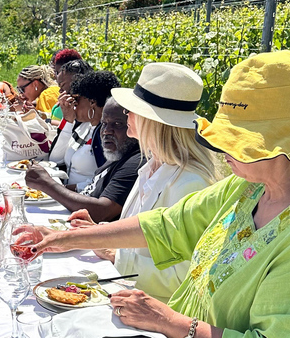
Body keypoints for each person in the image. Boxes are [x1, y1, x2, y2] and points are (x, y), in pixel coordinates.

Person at [16, 51, 290, 338]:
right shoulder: (247, 187)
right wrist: (59, 238)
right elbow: (166, 225)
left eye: (233, 141)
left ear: (279, 145)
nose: (218, 149)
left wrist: (168, 321)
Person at [77, 63, 218, 302]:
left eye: (132, 110)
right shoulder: (153, 167)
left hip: (153, 320)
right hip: (129, 299)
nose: (126, 114)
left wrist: (115, 254)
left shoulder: (190, 184)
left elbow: (183, 278)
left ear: (152, 121)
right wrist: (104, 232)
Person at [25, 97, 140, 222]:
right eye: (104, 124)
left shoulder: (136, 162)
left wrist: (47, 184)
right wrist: (47, 185)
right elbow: (91, 189)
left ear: (135, 126)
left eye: (118, 124)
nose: (107, 131)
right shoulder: (118, 152)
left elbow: (103, 212)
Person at [59, 71, 120, 189]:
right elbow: (55, 158)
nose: (73, 105)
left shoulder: (107, 135)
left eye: (76, 99)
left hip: (84, 200)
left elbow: (106, 180)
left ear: (92, 102)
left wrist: (63, 190)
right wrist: (67, 120)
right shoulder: (84, 127)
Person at [49, 59, 95, 164]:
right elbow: (55, 159)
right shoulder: (79, 121)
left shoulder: (101, 127)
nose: (60, 92)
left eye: (63, 85)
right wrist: (68, 120)